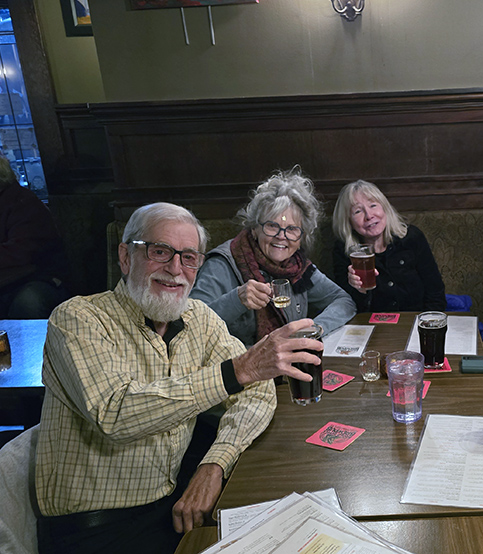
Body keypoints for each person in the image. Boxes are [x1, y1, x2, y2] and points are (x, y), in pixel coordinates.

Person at [35, 202, 324, 554]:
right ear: (125, 257)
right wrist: (238, 370)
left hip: (177, 504)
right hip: (97, 528)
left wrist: (215, 463)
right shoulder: (77, 318)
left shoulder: (197, 317)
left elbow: (259, 391)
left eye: (189, 257)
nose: (175, 269)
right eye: (159, 252)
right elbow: (116, 413)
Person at [191, 168, 356, 346]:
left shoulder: (297, 267)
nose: (281, 236)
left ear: (301, 238)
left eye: (292, 229)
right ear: (254, 229)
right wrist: (237, 300)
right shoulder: (221, 265)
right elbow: (189, 327)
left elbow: (344, 301)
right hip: (238, 368)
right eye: (272, 226)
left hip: (286, 365)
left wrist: (315, 328)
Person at [332, 180, 446, 313]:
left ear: (384, 208)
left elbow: (435, 293)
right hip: (371, 327)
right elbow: (346, 309)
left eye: (373, 205)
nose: (369, 216)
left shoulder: (412, 238)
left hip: (416, 323)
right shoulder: (344, 252)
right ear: (349, 222)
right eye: (358, 211)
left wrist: (426, 325)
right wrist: (358, 291)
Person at [0, 156, 69, 319]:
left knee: (29, 302)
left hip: (38, 279)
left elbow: (21, 253)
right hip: (6, 282)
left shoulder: (23, 202)